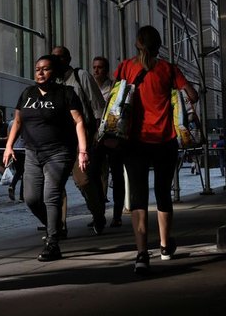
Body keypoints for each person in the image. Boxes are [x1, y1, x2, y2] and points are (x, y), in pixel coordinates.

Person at [115, 26, 198, 274]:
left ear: (137, 43)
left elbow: (115, 97)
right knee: (163, 192)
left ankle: (141, 254)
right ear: (159, 44)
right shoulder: (169, 69)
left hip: (134, 141)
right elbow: (192, 95)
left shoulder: (126, 68)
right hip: (165, 140)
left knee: (138, 196)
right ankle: (164, 246)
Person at [3, 54, 89, 262]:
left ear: (55, 72)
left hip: (59, 152)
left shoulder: (66, 93)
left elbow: (79, 121)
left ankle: (52, 242)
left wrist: (82, 151)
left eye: (46, 68)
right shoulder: (27, 93)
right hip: (32, 152)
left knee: (51, 196)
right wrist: (9, 146)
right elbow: (17, 121)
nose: (40, 72)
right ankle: (55, 226)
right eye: (37, 68)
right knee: (32, 198)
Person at [52, 46, 107, 234]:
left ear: (68, 59)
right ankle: (58, 226)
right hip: (60, 140)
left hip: (82, 137)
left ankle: (98, 214)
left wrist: (97, 136)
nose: (56, 61)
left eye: (60, 57)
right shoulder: (53, 82)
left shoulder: (80, 76)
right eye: (53, 57)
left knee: (83, 180)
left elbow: (98, 106)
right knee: (56, 183)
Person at [93, 56, 125, 227]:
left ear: (106, 69)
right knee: (96, 175)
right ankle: (98, 214)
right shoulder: (90, 87)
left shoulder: (114, 87)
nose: (96, 70)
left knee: (117, 175)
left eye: (100, 67)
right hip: (97, 137)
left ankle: (117, 214)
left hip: (113, 136)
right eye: (95, 67)